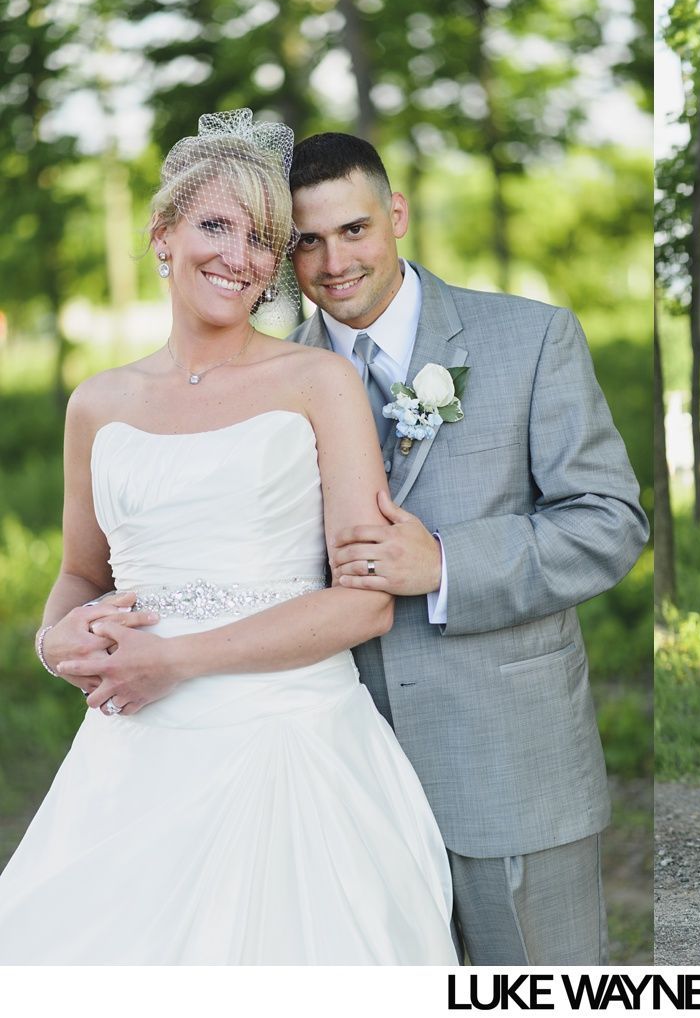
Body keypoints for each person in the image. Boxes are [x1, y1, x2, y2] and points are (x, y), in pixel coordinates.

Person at [0, 110, 458, 963]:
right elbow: (76, 573)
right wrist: (55, 639)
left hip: (291, 744)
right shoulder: (96, 404)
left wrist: (173, 660)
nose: (238, 257)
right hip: (133, 755)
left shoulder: (317, 382)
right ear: (162, 234)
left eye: (262, 239)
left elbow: (364, 608)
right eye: (215, 225)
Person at [286, 133, 647, 964]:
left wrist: (446, 564)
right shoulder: (270, 379)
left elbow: (608, 523)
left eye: (353, 229)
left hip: (509, 760)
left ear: (397, 215)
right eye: (307, 240)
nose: (333, 260)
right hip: (342, 773)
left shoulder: (531, 338)